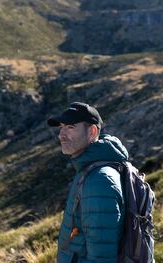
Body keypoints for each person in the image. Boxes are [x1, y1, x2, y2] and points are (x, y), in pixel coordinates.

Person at [47, 102, 128, 263]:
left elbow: (102, 257)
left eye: (70, 127)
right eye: (61, 127)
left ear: (92, 131)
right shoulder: (89, 170)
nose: (61, 134)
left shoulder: (99, 180)